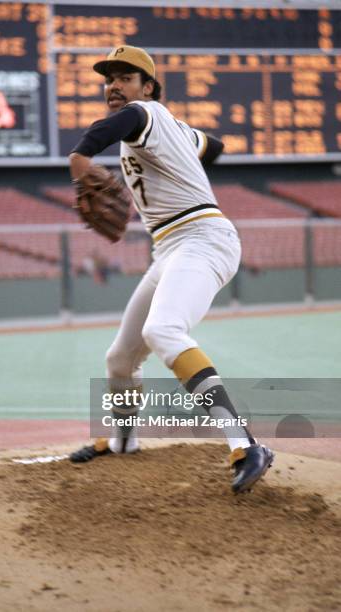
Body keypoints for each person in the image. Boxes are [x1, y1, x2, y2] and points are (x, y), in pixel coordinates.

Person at [69, 45, 273, 493]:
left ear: (148, 88)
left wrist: (81, 158)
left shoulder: (144, 113)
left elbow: (115, 126)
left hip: (203, 238)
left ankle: (247, 444)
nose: (114, 86)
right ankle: (123, 444)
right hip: (172, 249)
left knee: (163, 331)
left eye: (126, 77)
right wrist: (184, 152)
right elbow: (213, 145)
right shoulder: (171, 127)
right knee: (120, 359)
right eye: (109, 79)